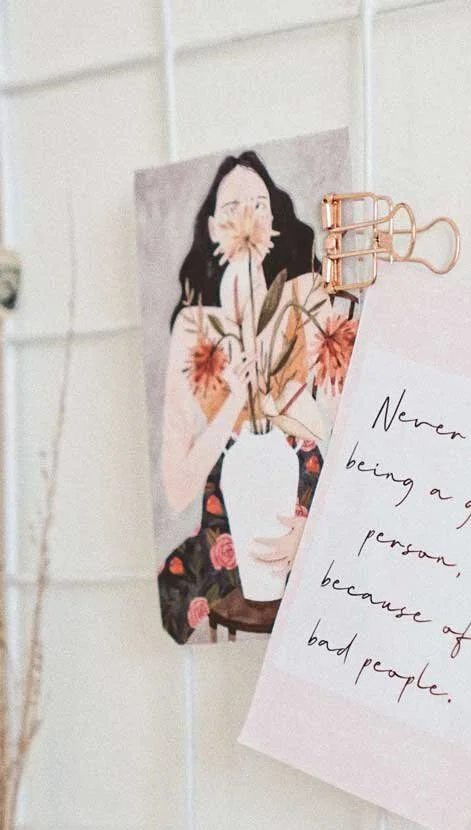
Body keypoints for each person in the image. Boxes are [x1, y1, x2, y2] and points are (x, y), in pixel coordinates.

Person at [156, 151, 358, 643]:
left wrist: (316, 530)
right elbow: (178, 486)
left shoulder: (306, 295)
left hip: (306, 505)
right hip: (230, 515)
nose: (246, 218)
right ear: (210, 227)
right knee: (173, 595)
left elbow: (349, 437)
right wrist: (233, 402)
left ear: (273, 219)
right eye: (232, 209)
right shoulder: (193, 329)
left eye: (258, 205)